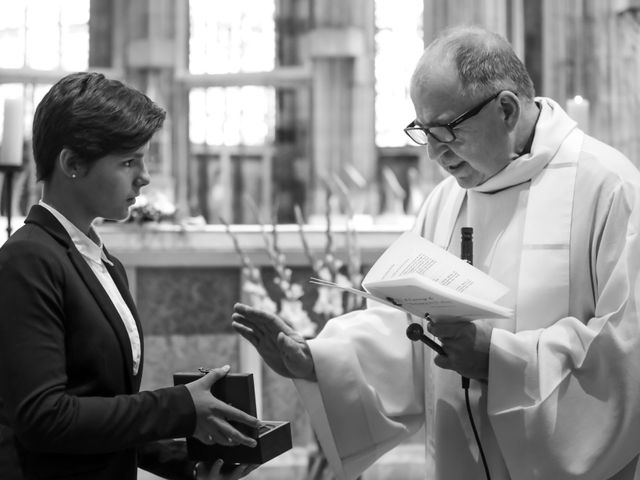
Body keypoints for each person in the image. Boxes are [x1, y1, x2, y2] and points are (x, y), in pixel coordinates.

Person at [231, 25, 640, 480]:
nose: (432, 153)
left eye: (445, 131)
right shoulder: (448, 201)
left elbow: (625, 350)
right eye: (422, 132)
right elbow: (407, 323)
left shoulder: (607, 187)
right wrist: (320, 360)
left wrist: (500, 359)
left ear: (505, 109)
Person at [0, 72, 260, 480]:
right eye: (127, 162)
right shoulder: (28, 260)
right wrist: (178, 407)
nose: (144, 176)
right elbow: (43, 417)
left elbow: (102, 406)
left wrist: (187, 460)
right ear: (71, 163)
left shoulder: (102, 261)